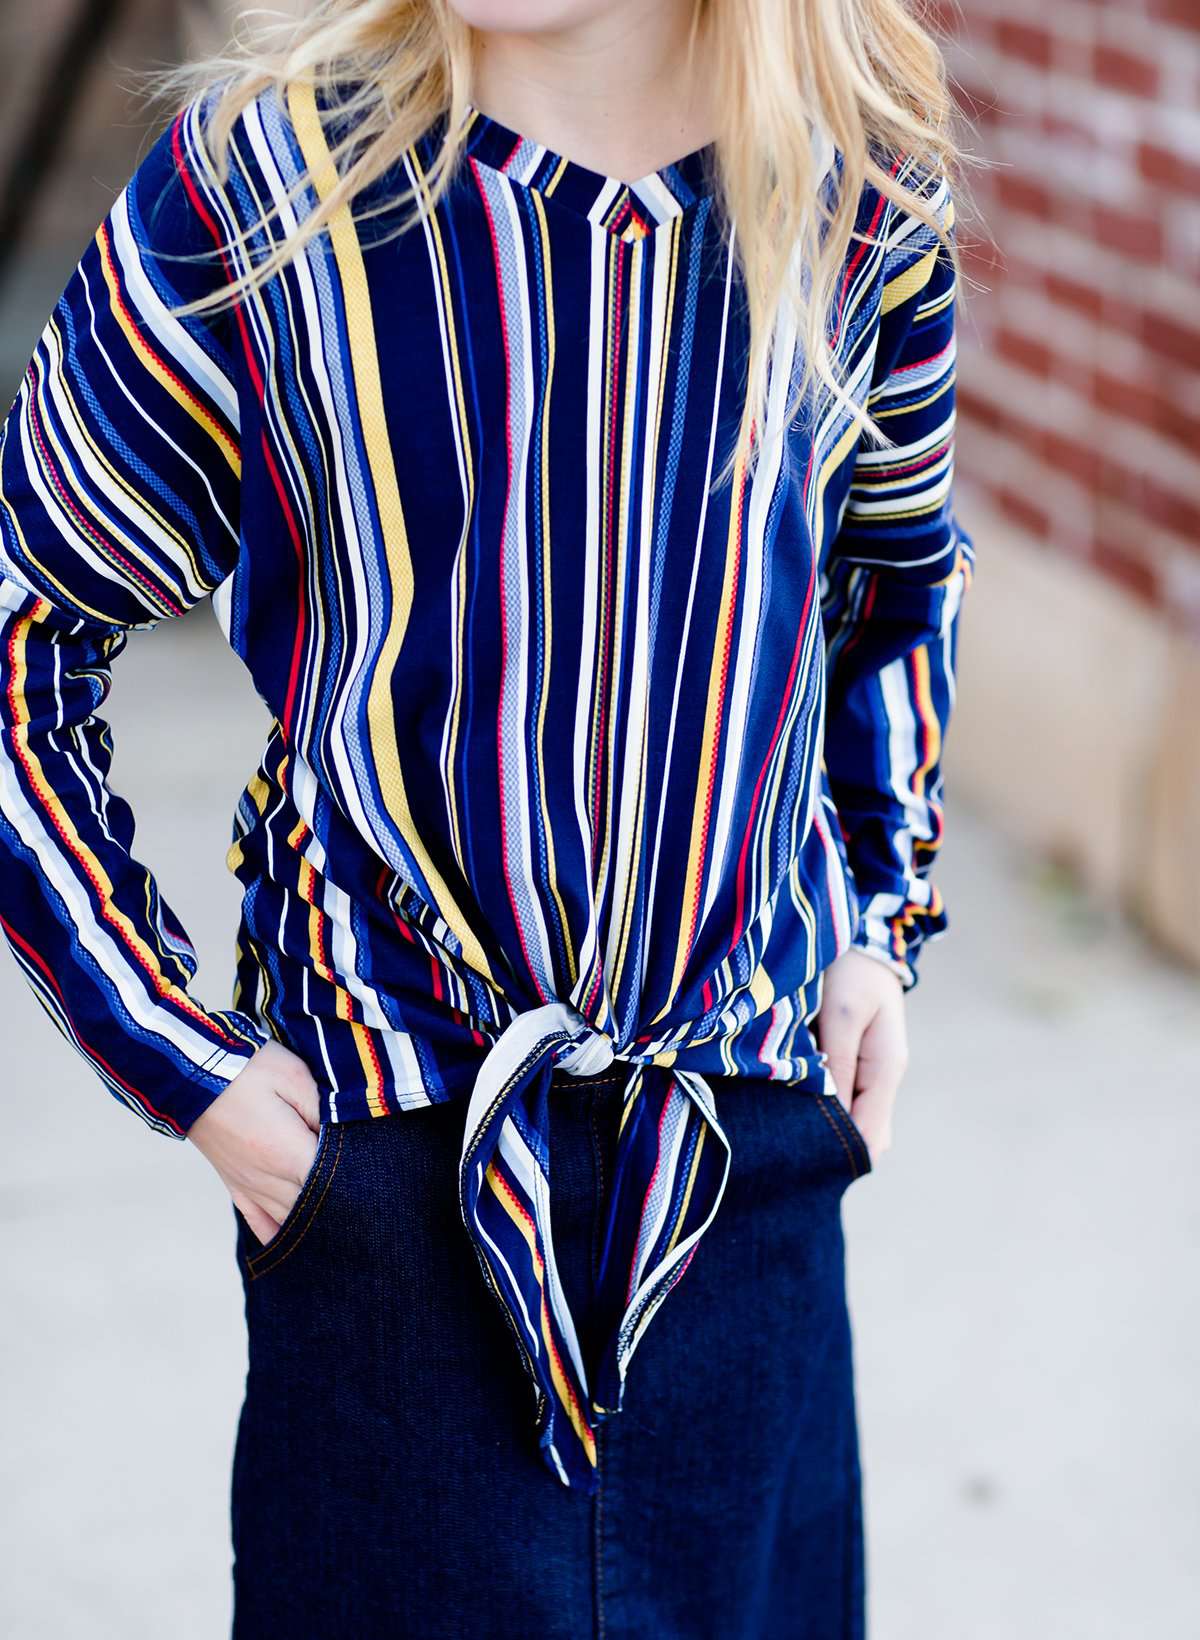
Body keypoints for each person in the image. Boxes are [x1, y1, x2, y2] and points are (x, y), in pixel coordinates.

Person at [0, 0, 976, 1634]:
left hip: (743, 1182)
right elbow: (23, 644)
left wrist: (878, 927)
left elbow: (895, 592)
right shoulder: (268, 192)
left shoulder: (856, 197)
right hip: (392, 1201)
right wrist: (200, 1073)